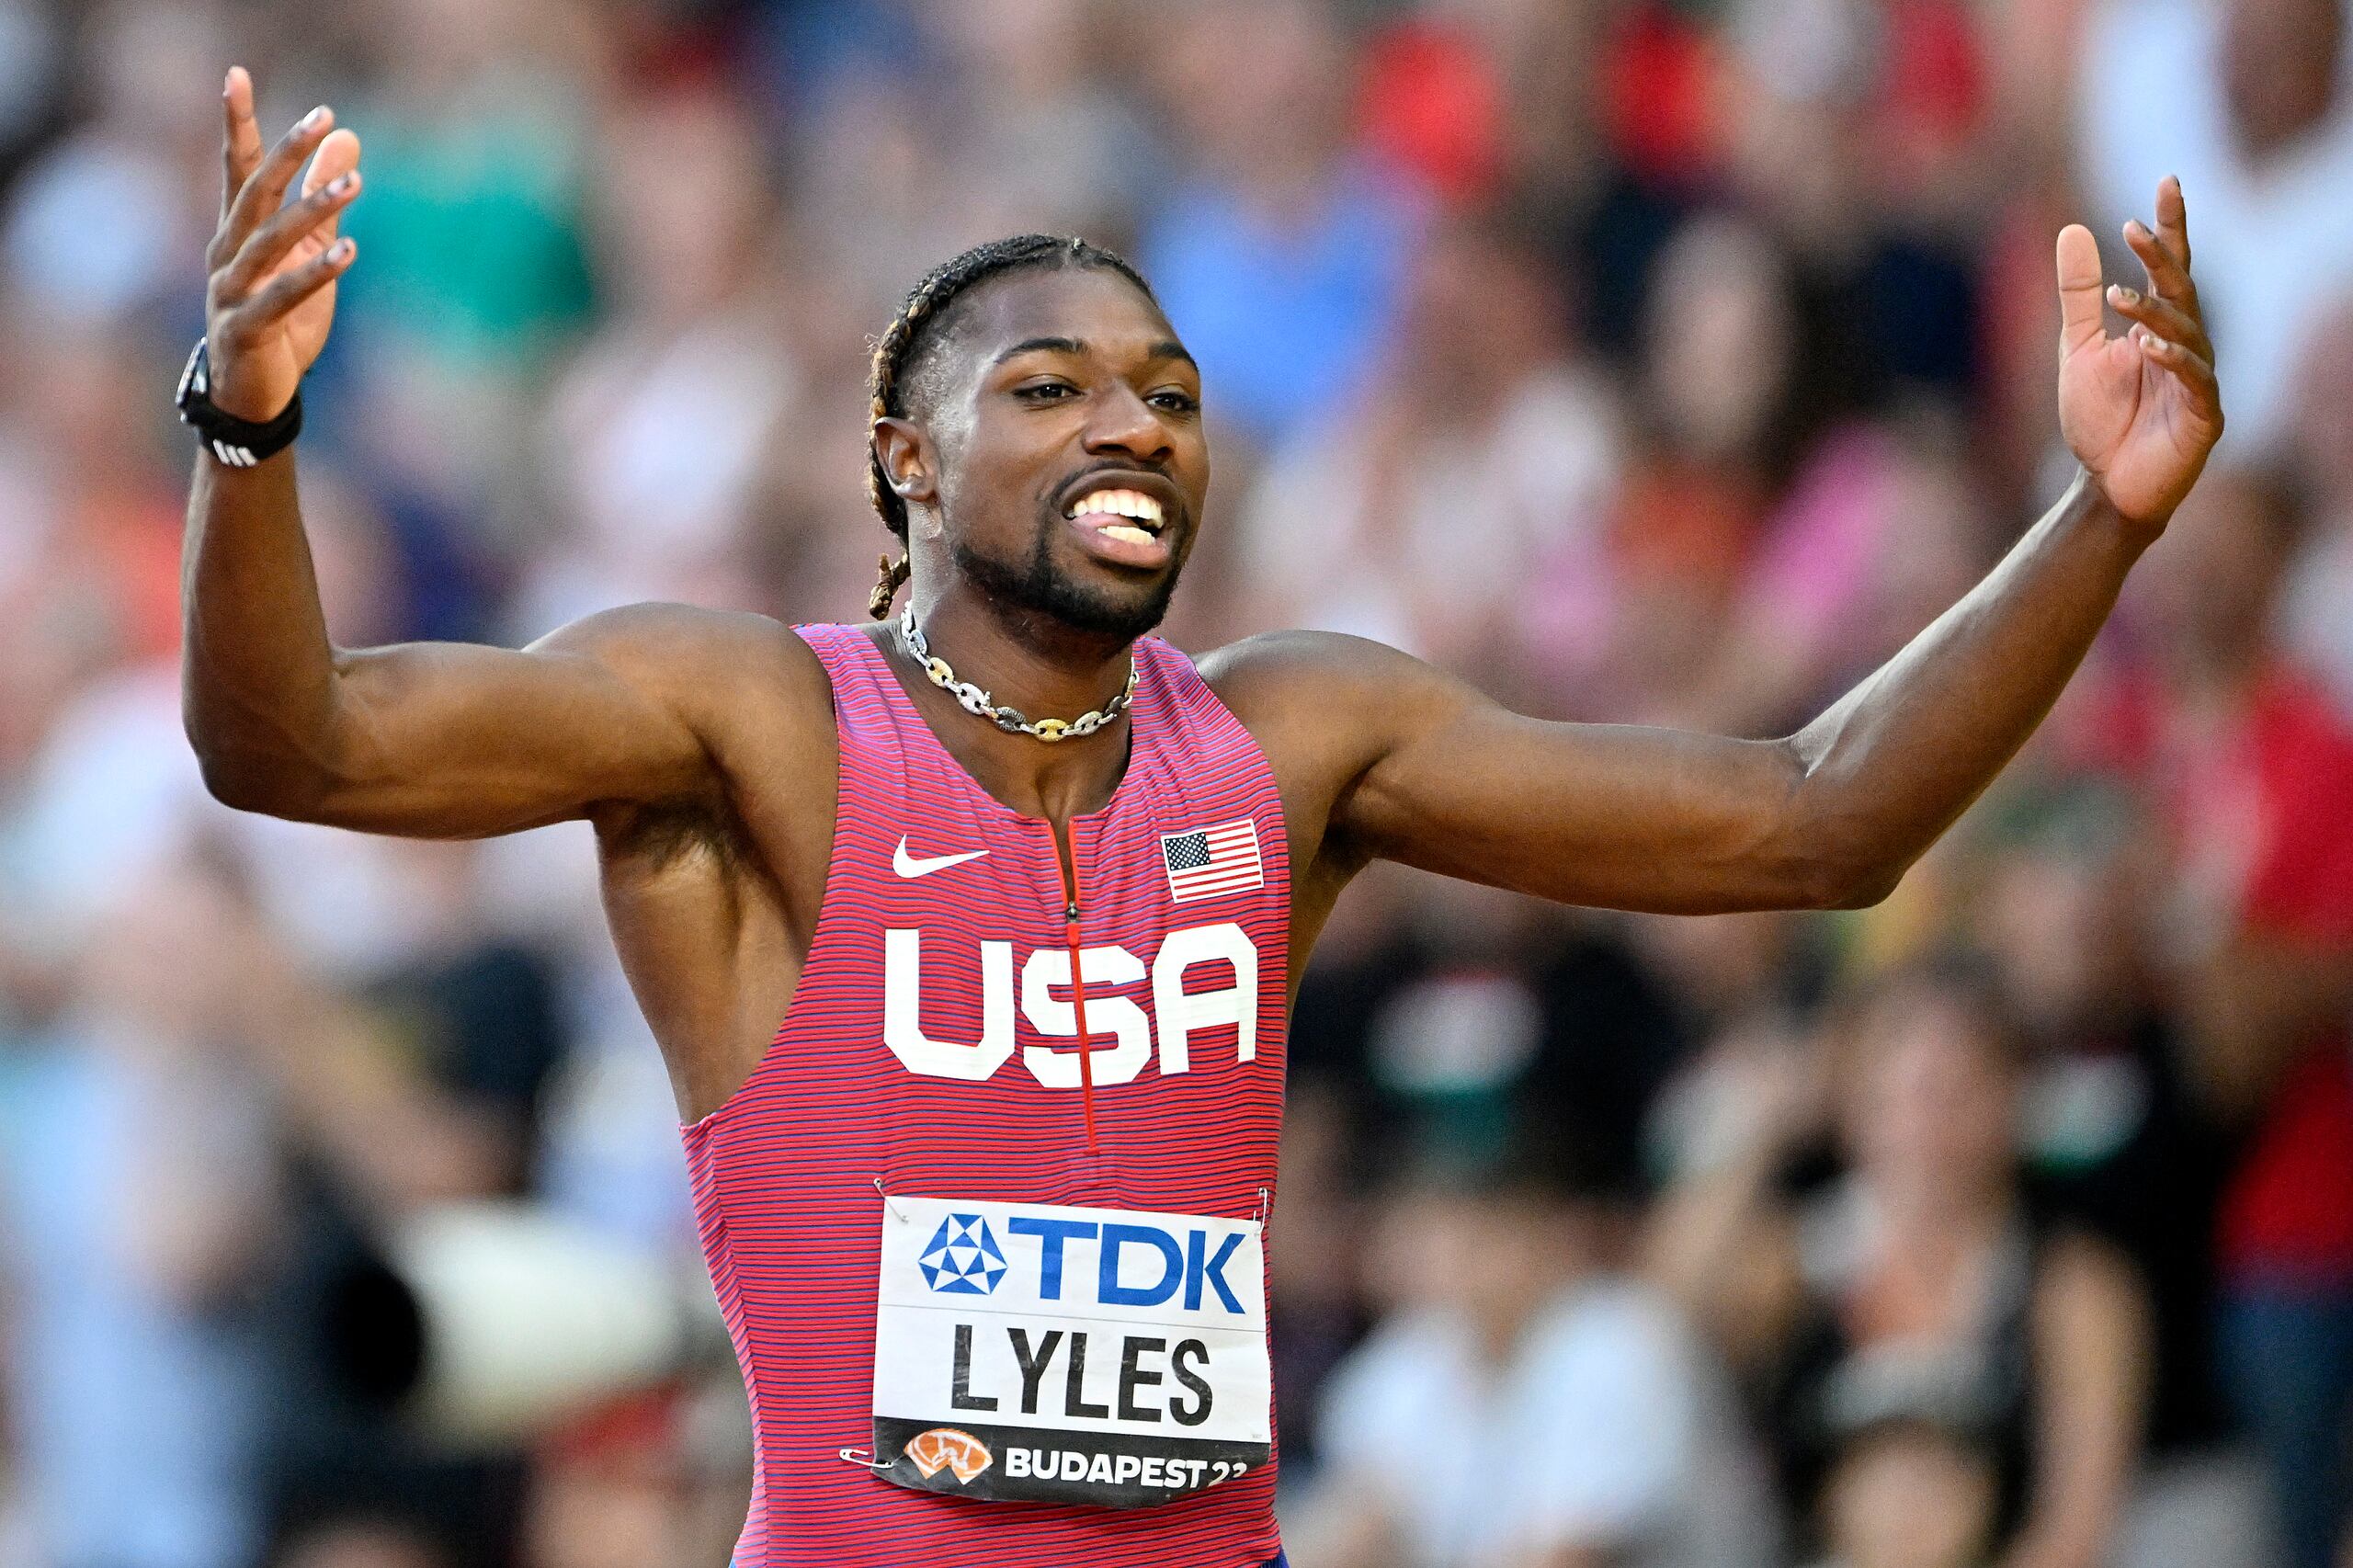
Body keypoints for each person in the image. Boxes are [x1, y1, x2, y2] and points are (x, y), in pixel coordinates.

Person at [178, 61, 2222, 1568]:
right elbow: (300, 749)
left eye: (1164, 385)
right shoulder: (749, 721)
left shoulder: (1294, 740)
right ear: (904, 453)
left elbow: (1811, 823)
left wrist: (2096, 519)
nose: (1134, 416)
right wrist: (250, 433)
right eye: (1051, 386)